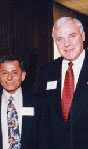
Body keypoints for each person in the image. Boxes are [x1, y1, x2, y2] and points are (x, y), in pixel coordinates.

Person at [37, 17, 88, 149]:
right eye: (60, 39)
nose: (67, 44)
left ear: (82, 36)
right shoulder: (46, 72)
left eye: (72, 36)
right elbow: (43, 121)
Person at [0, 55, 49, 149]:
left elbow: (44, 141)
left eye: (14, 73)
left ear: (23, 76)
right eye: (5, 73)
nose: (9, 78)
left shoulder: (39, 103)